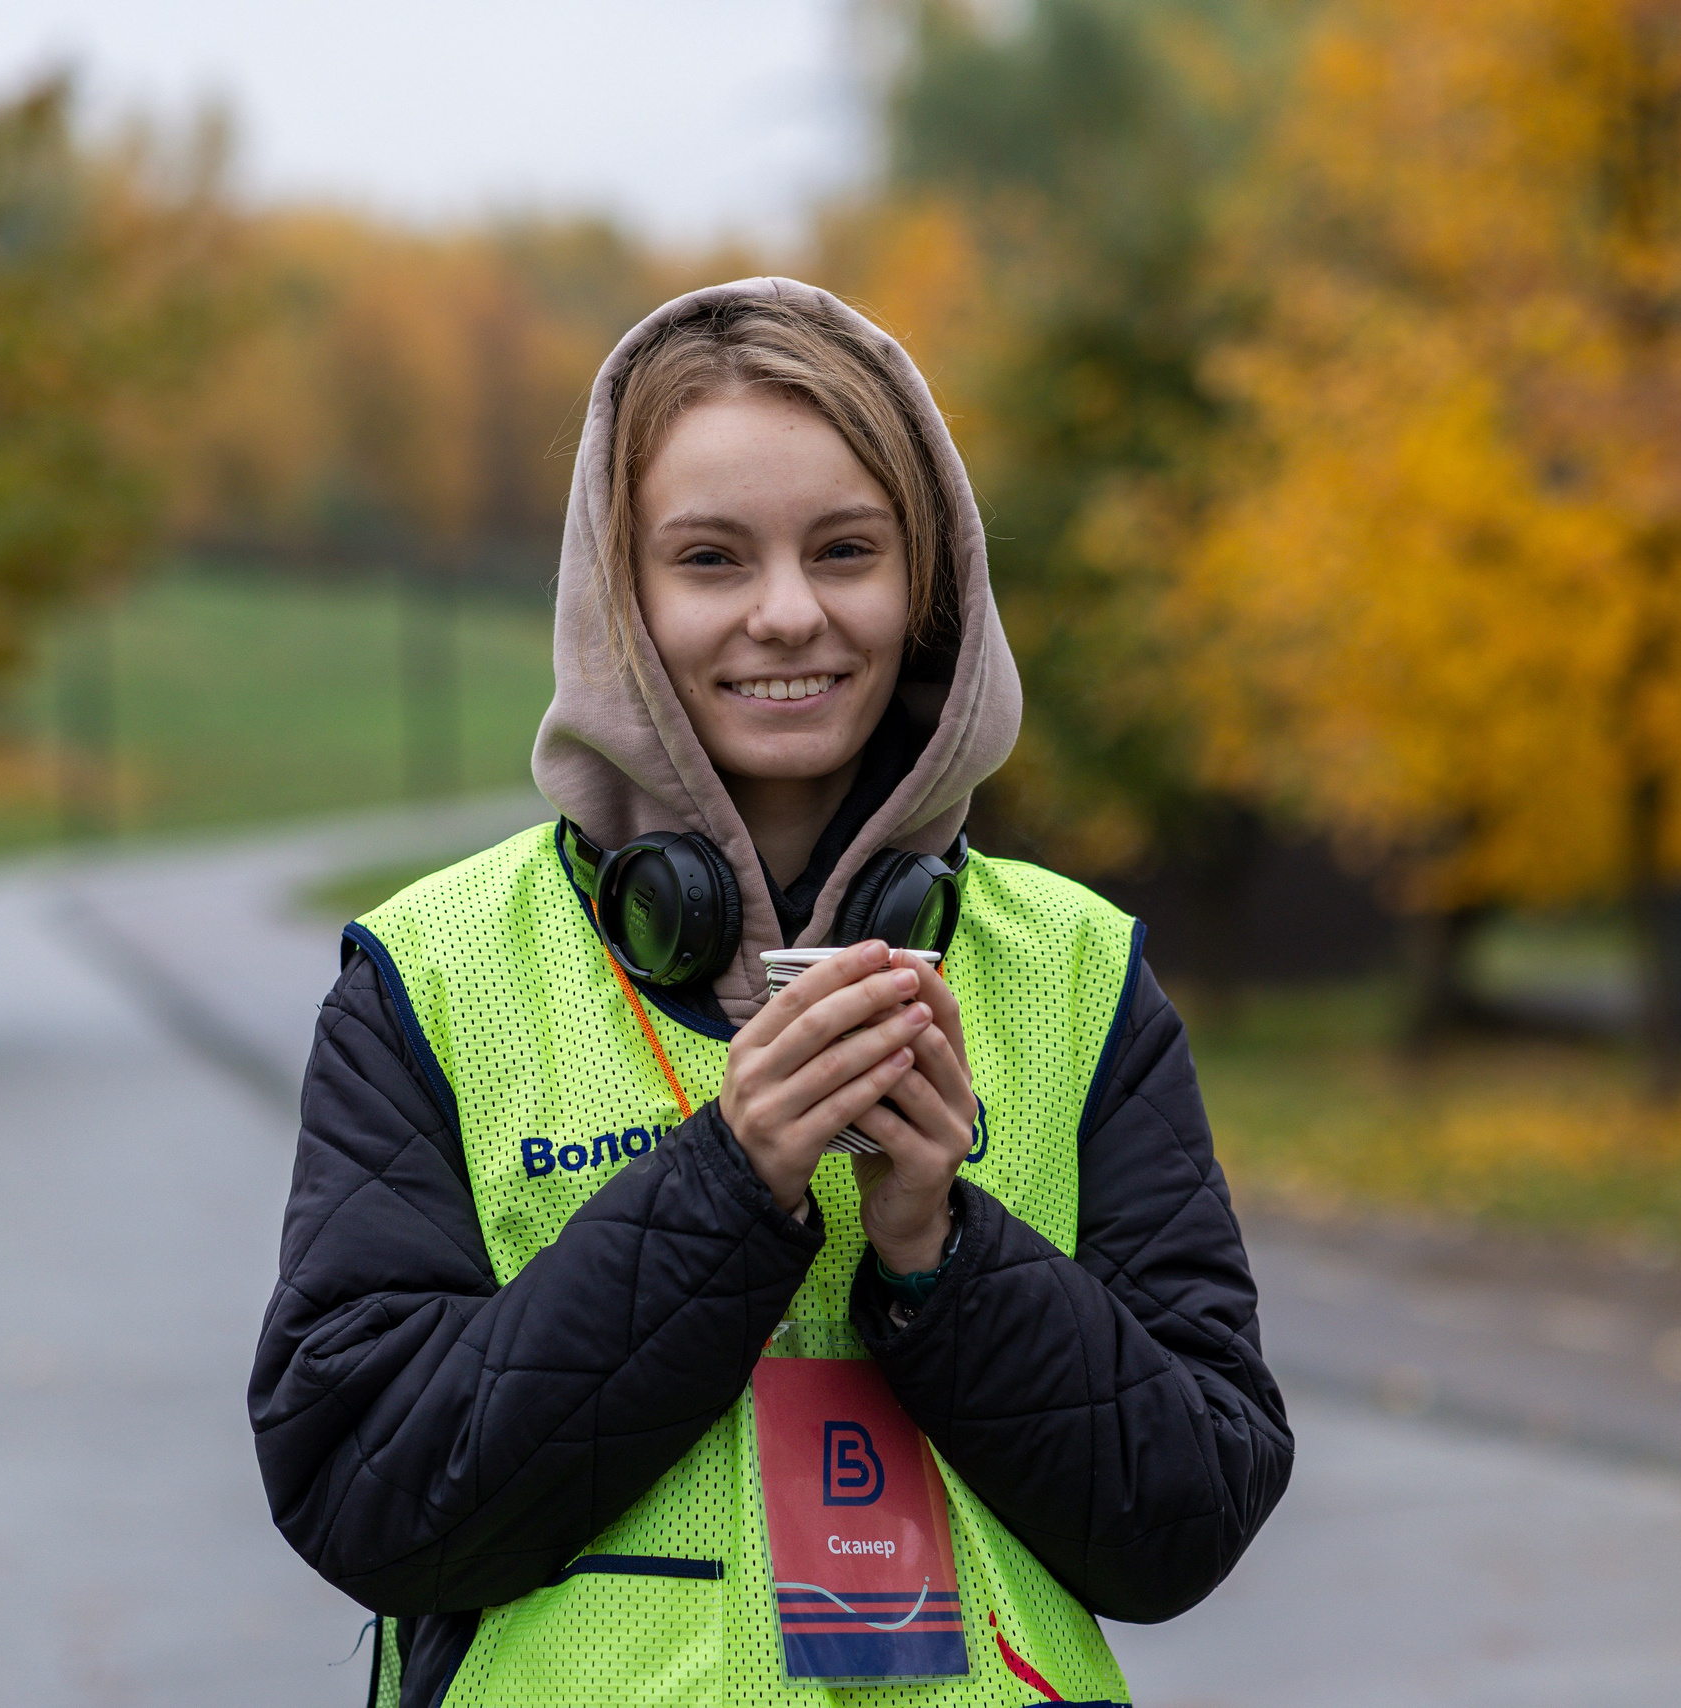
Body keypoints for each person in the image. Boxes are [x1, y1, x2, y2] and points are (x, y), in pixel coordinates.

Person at [251, 279, 1292, 1708]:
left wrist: (940, 1252)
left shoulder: (1075, 972)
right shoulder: (433, 977)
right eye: (713, 559)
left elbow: (1186, 1521)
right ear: (622, 595)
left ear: (928, 583)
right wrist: (725, 1193)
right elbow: (369, 1495)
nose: (790, 614)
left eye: (848, 550)